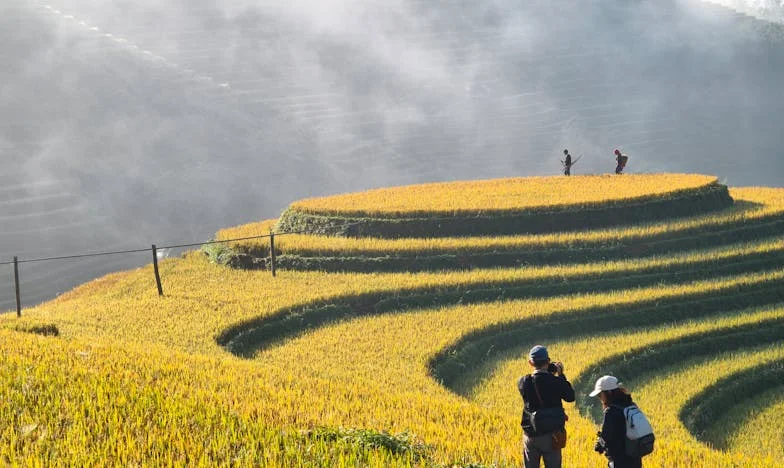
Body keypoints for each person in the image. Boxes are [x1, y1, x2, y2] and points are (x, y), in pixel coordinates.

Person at [517, 345, 576, 468]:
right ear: (548, 361)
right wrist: (560, 375)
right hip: (552, 435)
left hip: (530, 434)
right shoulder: (556, 382)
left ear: (530, 362)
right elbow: (570, 397)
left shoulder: (524, 382)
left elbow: (537, 384)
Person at [591, 376, 643, 468]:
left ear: (609, 393)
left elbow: (605, 436)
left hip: (620, 460)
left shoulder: (611, 412)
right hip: (635, 459)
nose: (600, 398)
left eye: (600, 395)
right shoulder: (631, 405)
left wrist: (599, 445)